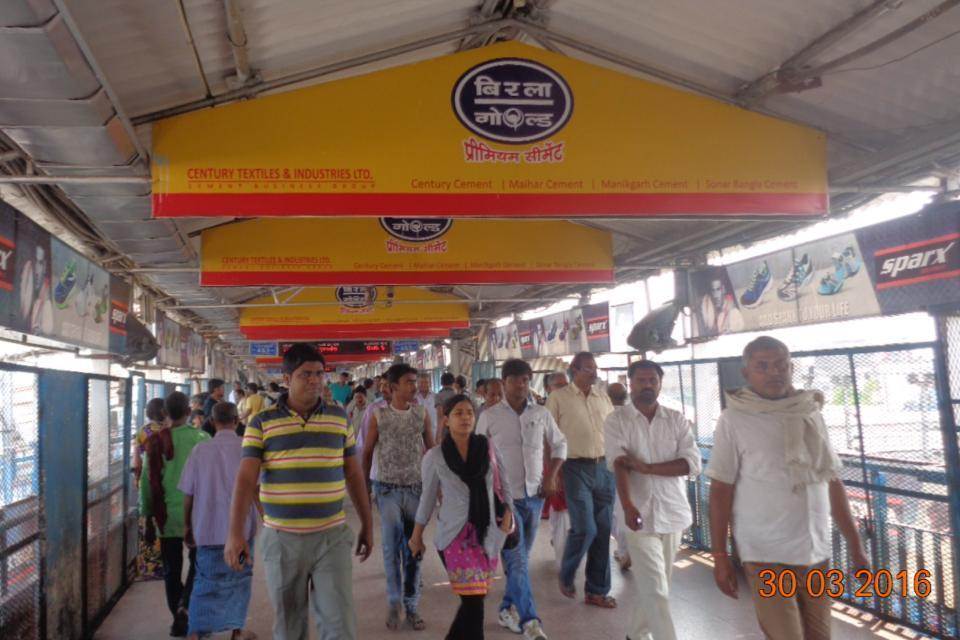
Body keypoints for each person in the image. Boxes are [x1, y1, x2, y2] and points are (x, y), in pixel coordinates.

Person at [706, 336, 869, 640]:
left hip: (815, 550)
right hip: (766, 552)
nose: (774, 373)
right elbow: (720, 490)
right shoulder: (735, 419)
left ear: (791, 367)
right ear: (746, 373)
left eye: (781, 365)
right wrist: (719, 555)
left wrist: (856, 545)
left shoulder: (810, 412)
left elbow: (831, 480)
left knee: (819, 636)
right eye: (762, 367)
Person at [225, 343, 373, 640]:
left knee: (340, 626)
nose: (315, 381)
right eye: (306, 374)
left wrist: (367, 524)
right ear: (287, 378)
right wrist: (235, 533)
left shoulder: (338, 418)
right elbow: (245, 479)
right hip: (282, 540)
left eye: (319, 374)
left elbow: (354, 473)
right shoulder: (262, 422)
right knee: (290, 628)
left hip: (331, 537)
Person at [605, 360, 701, 640]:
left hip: (673, 514)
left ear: (659, 384)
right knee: (656, 589)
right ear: (630, 384)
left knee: (657, 587)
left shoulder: (676, 419)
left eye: (653, 381)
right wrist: (627, 505)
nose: (647, 386)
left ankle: (635, 634)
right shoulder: (617, 420)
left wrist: (647, 468)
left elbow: (691, 464)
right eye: (641, 381)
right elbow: (619, 463)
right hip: (637, 515)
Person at [409, 395, 515, 640]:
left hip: (487, 533)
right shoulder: (435, 456)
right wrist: (417, 537)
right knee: (473, 602)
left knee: (474, 600)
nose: (466, 417)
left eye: (469, 412)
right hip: (454, 536)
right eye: (458, 413)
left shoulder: (487, 447)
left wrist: (509, 512)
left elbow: (505, 483)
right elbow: (426, 499)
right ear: (446, 420)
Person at [477, 359, 566, 640]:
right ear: (504, 383)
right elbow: (478, 456)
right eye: (516, 380)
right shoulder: (489, 416)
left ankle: (506, 608)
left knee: (521, 562)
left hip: (535, 497)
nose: (522, 385)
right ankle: (530, 621)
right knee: (516, 562)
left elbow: (561, 443)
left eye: (526, 380)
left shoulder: (540, 413)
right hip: (506, 502)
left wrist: (552, 474)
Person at [363, 363, 435, 631]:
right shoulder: (378, 416)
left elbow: (432, 450)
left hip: (416, 488)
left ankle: (412, 606)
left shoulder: (421, 413)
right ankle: (394, 602)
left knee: (414, 548)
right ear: (393, 388)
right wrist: (365, 488)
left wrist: (437, 486)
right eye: (409, 382)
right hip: (388, 489)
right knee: (392, 547)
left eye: (415, 382)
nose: (414, 386)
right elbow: (367, 452)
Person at [179, 402, 259, 640]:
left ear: (213, 423)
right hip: (242, 531)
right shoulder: (248, 448)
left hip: (207, 528)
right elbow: (257, 490)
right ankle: (236, 630)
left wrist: (187, 525)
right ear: (237, 420)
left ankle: (196, 633)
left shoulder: (200, 450)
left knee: (204, 581)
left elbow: (188, 494)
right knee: (240, 579)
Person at [545, 352, 617, 608]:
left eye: (595, 368)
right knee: (585, 527)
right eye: (588, 369)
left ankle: (597, 590)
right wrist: (551, 474)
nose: (594, 373)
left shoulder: (603, 397)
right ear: (574, 370)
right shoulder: (558, 398)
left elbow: (612, 431)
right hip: (574, 467)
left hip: (604, 468)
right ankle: (567, 573)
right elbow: (548, 438)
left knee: (603, 530)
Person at [141, 391, 211, 637]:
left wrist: (147, 517)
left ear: (164, 413)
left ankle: (178, 614)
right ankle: (187, 605)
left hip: (167, 515)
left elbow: (146, 482)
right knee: (199, 565)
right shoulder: (203, 438)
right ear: (189, 412)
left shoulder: (155, 442)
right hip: (198, 515)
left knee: (171, 569)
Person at [133, 398, 167, 580]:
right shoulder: (168, 431)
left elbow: (136, 461)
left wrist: (137, 479)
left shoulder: (143, 431)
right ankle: (164, 565)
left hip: (147, 481)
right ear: (163, 411)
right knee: (162, 522)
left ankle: (147, 568)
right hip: (165, 483)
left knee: (147, 522)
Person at [543, 372, 570, 565]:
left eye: (565, 385)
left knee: (564, 512)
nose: (563, 389)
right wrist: (551, 472)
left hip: (575, 466)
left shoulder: (572, 406)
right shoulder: (545, 411)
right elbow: (545, 443)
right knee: (561, 511)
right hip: (555, 466)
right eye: (558, 385)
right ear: (548, 389)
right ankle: (564, 562)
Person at [605, 381, 630, 570]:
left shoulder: (605, 414)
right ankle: (627, 550)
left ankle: (624, 551)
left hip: (610, 469)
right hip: (635, 470)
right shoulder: (633, 414)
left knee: (618, 511)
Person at [414, 373, 438, 441]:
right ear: (417, 383)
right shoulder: (413, 398)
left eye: (426, 382)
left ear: (430, 383)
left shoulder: (436, 397)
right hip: (418, 435)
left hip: (434, 433)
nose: (423, 385)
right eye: (421, 382)